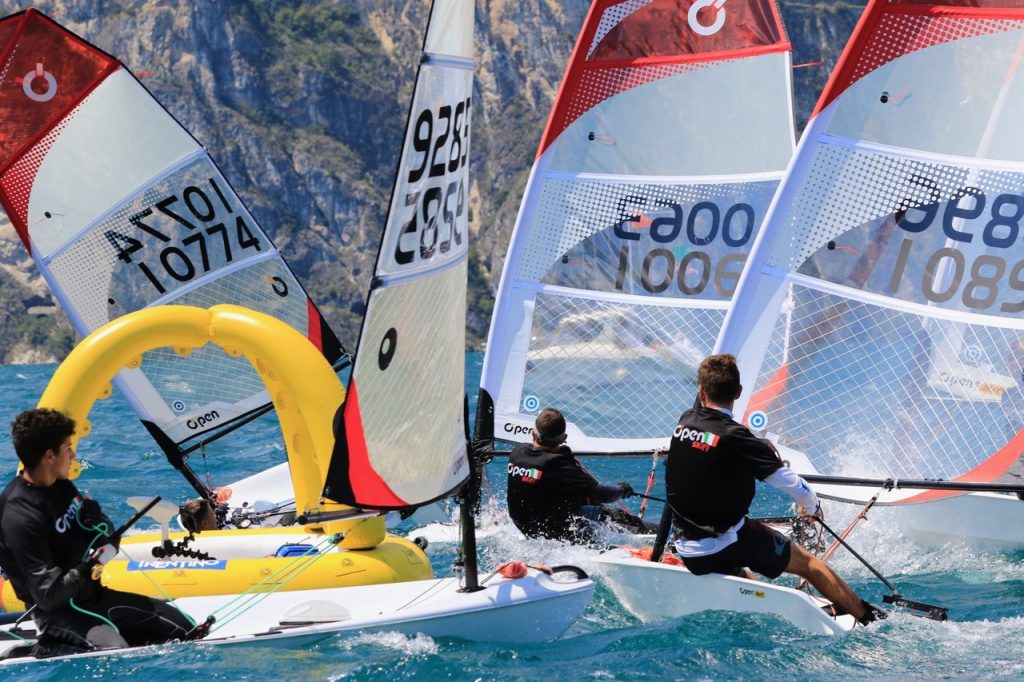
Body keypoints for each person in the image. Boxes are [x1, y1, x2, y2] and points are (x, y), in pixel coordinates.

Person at [664, 355, 884, 626]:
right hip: (727, 542)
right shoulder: (738, 439)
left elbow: (713, 436)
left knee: (740, 567)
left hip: (689, 551)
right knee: (809, 565)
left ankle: (754, 601)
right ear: (739, 392)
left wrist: (754, 446)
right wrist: (813, 508)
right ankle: (867, 619)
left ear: (701, 391)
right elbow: (793, 484)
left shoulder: (685, 421)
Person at [0, 408, 196, 657]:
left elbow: (101, 532)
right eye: (67, 448)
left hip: (95, 597)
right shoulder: (18, 515)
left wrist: (100, 524)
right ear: (49, 456)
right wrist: (89, 566)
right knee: (113, 653)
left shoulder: (60, 485)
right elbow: (48, 596)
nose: (73, 455)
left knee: (186, 630)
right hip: (59, 614)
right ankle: (42, 648)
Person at [506, 407, 653, 543]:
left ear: (533, 434)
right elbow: (603, 494)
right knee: (608, 515)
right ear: (563, 438)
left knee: (577, 496)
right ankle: (657, 532)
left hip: (526, 527)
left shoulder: (517, 453)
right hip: (556, 531)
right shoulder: (558, 464)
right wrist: (622, 490)